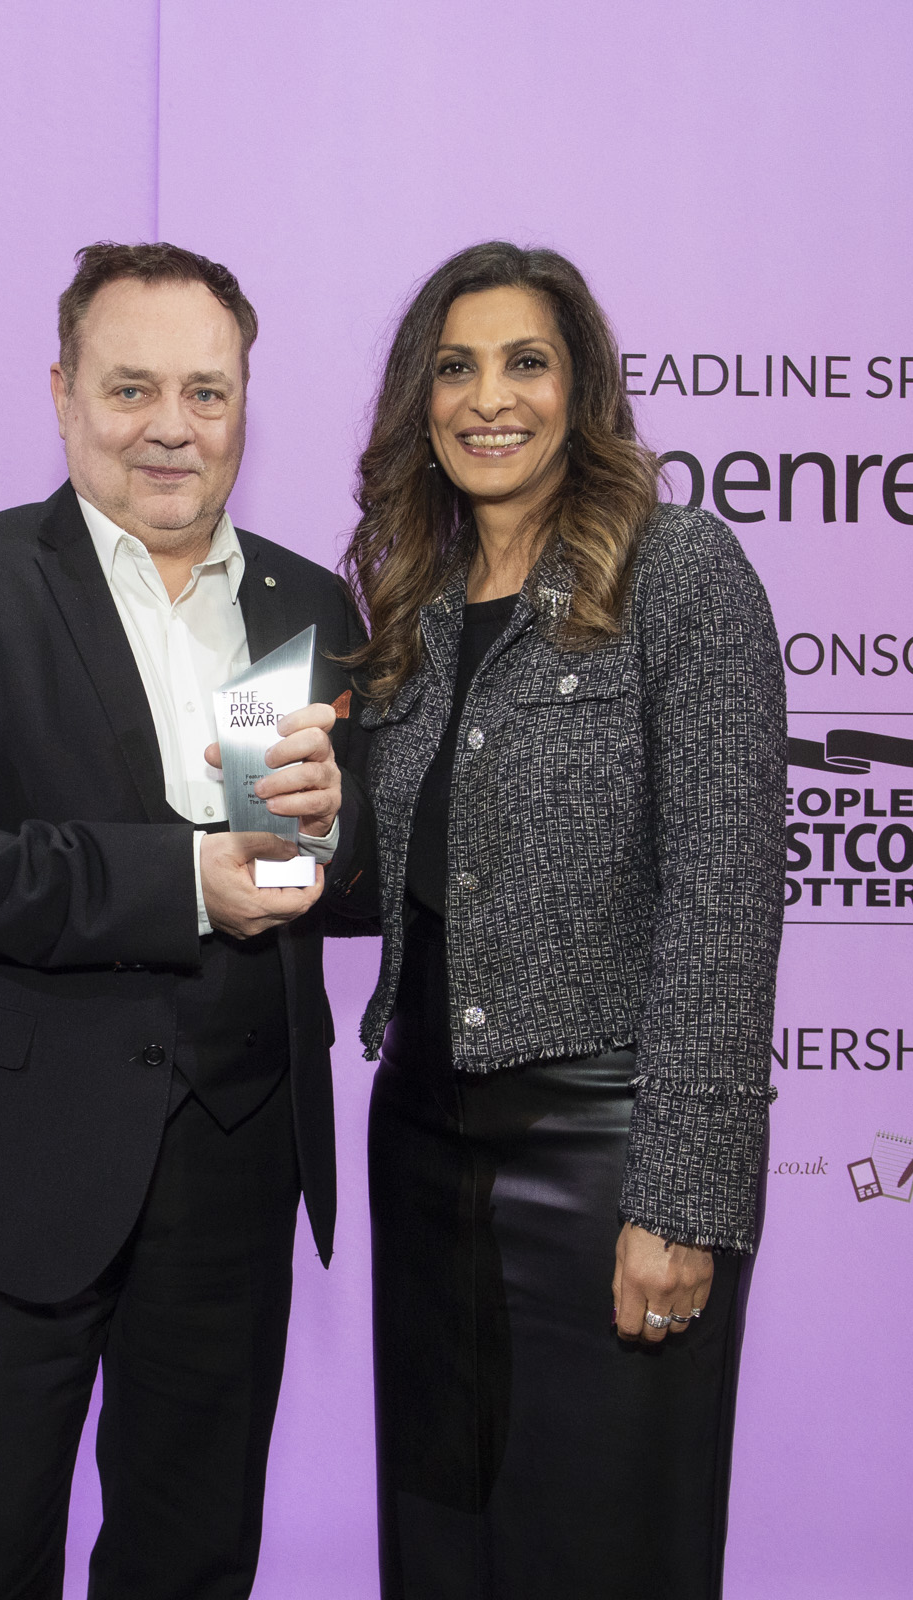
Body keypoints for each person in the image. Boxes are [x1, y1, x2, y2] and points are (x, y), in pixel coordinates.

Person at [0, 241, 370, 1600]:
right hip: (9, 1172)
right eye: (131, 387)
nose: (170, 426)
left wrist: (330, 835)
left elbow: (336, 874)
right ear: (63, 394)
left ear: (245, 403)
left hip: (235, 1172)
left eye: (207, 391)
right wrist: (178, 882)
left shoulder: (308, 602)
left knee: (192, 1566)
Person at [340, 241, 786, 1597]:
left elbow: (724, 902)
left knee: (607, 1557)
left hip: (605, 1158)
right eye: (456, 368)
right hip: (422, 1149)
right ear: (420, 400)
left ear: (580, 388)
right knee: (441, 1549)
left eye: (525, 363)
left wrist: (682, 1199)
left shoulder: (679, 571)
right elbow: (403, 874)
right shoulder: (409, 604)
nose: (490, 399)